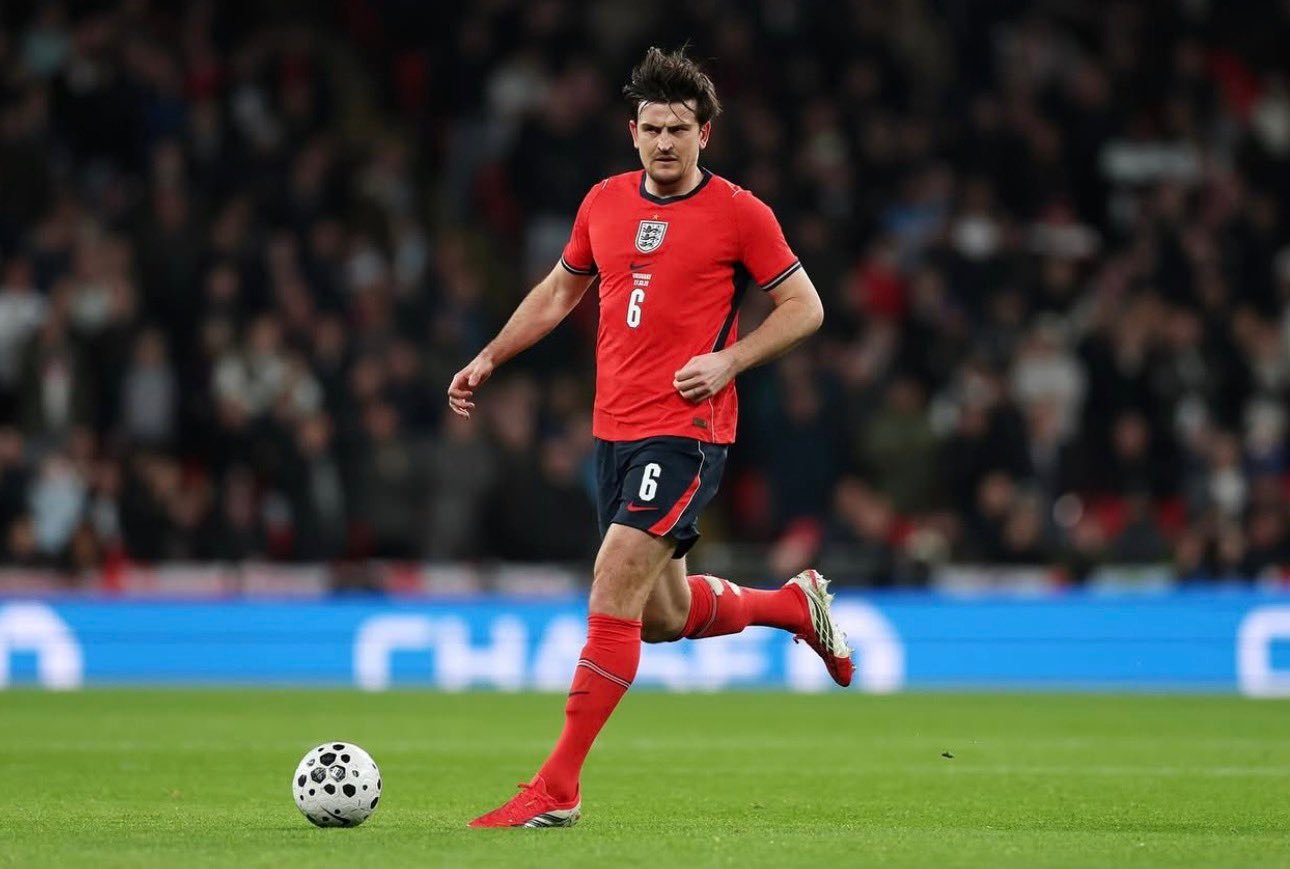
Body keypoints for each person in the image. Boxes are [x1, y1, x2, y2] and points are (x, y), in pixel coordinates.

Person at [447, 47, 854, 829]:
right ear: (632, 132)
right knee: (661, 616)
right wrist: (490, 356)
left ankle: (557, 786)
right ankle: (793, 607)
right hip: (616, 433)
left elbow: (807, 307)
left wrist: (730, 360)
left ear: (706, 134)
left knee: (612, 585)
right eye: (652, 128)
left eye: (680, 129)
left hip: (688, 432)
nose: (665, 142)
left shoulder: (741, 212)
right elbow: (559, 291)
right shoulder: (602, 202)